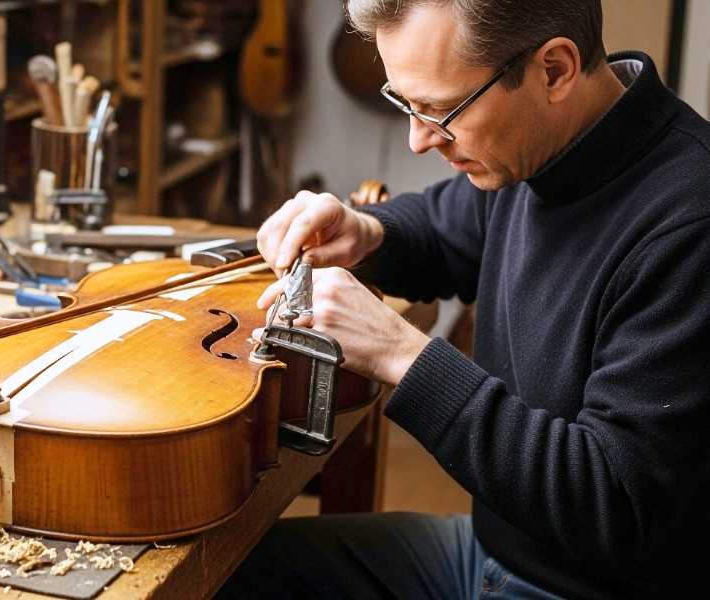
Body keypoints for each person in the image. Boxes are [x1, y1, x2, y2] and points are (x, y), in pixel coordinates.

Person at [216, 1, 710, 599]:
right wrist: (367, 229)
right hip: (494, 551)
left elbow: (613, 506)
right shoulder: (544, 146)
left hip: (584, 587)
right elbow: (446, 226)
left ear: (554, 69)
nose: (418, 140)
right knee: (215, 578)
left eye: (441, 110)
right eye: (407, 104)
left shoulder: (689, 224)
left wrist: (402, 356)